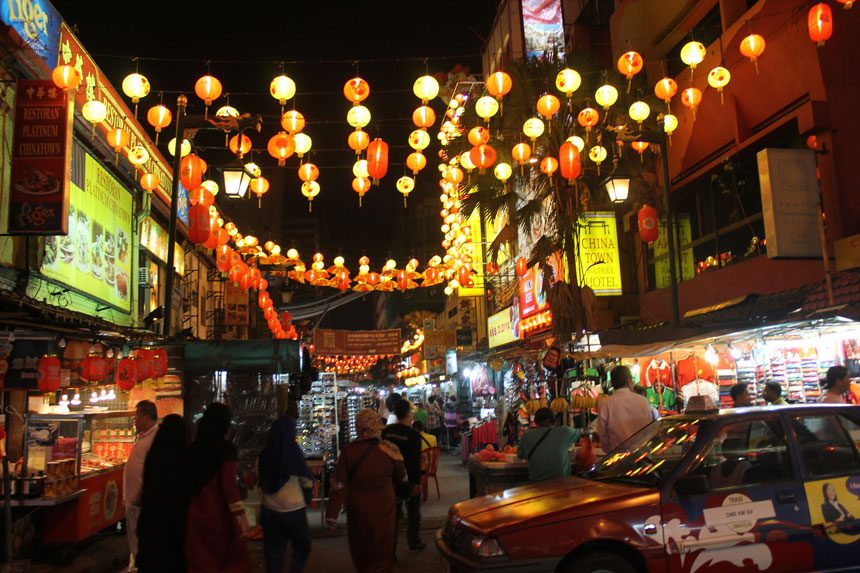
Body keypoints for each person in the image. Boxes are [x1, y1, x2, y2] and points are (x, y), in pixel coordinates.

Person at [325, 409, 406, 573]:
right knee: (383, 546)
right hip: (384, 506)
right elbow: (401, 476)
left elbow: (340, 485)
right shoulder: (390, 449)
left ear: (358, 426)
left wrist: (332, 515)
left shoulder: (349, 450)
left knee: (361, 546)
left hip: (358, 507)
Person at [186, 402, 251, 573]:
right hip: (216, 517)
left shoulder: (194, 448)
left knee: (199, 562)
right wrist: (241, 517)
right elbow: (229, 488)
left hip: (193, 517)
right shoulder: (225, 451)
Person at [258, 415, 313, 573]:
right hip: (293, 509)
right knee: (302, 547)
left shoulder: (266, 452)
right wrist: (307, 496)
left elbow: (259, 477)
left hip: (269, 508)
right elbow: (306, 480)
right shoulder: (292, 451)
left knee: (274, 551)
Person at [136, 414, 187, 573]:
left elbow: (148, 484)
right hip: (174, 524)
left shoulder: (155, 454)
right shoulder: (183, 456)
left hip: (152, 519)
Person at [382, 399, 425, 552]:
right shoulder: (413, 435)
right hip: (407, 479)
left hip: (389, 479)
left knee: (393, 516)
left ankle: (390, 549)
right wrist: (417, 483)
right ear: (408, 413)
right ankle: (413, 541)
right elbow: (414, 462)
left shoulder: (386, 431)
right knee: (413, 512)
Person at [123, 400, 158, 572]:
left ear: (146, 417)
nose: (134, 420)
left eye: (136, 416)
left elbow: (154, 471)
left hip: (141, 501)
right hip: (133, 500)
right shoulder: (144, 436)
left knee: (141, 540)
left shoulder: (154, 438)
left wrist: (143, 493)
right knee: (135, 540)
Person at [598, 366, 654, 452]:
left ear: (612, 383)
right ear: (628, 380)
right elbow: (650, 430)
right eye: (632, 379)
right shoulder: (643, 401)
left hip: (619, 458)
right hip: (643, 455)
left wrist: (611, 451)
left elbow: (603, 436)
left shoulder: (606, 404)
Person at [517, 408, 580, 482]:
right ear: (554, 421)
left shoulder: (527, 435)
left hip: (536, 486)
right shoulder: (565, 432)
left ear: (536, 421)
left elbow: (521, 455)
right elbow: (578, 434)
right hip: (561, 485)